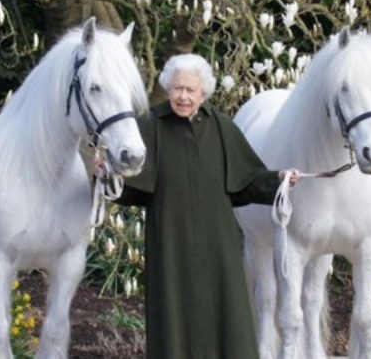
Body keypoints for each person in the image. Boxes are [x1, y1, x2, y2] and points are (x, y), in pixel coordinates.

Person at [114, 54, 300, 359]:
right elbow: (129, 187)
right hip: (170, 248)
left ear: (203, 93)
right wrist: (106, 177)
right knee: (173, 320)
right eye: (177, 88)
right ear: (168, 88)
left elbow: (247, 181)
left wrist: (279, 179)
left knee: (227, 318)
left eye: (190, 90)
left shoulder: (222, 128)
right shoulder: (149, 126)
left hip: (219, 250)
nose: (183, 96)